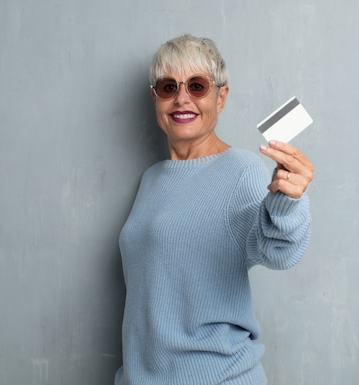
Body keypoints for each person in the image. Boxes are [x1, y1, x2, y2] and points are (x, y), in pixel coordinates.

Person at [115, 34, 313, 385]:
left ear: (221, 96)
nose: (181, 99)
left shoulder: (241, 170)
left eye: (197, 86)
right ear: (154, 97)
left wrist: (287, 199)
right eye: (168, 87)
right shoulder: (151, 179)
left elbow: (277, 249)